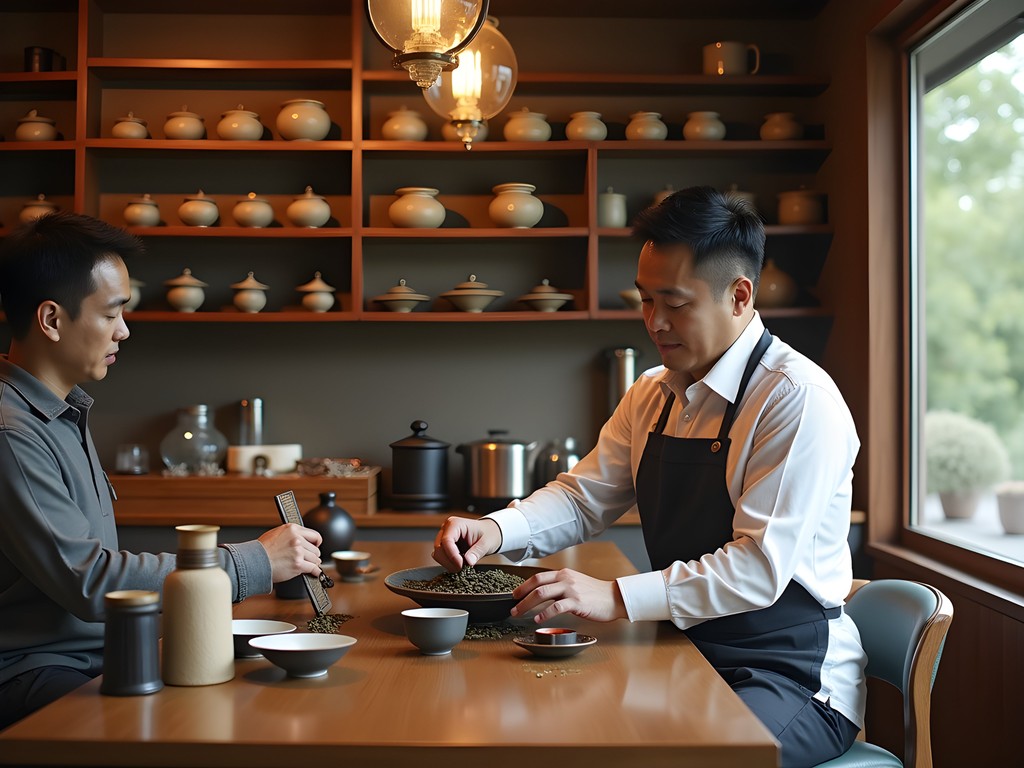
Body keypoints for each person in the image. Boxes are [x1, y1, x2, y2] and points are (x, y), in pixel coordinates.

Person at [433, 186, 866, 768]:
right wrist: (497, 531)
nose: (654, 322)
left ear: (740, 296)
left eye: (675, 303)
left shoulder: (796, 398)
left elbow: (759, 568)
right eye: (644, 300)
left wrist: (614, 596)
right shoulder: (653, 393)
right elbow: (585, 497)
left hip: (788, 675)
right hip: (682, 649)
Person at [0, 212, 323, 730]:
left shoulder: (61, 413)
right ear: (52, 320)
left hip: (98, 656)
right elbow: (91, 581)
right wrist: (254, 563)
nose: (124, 331)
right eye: (111, 314)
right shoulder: (12, 433)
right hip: (37, 673)